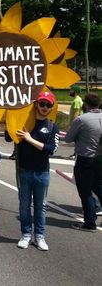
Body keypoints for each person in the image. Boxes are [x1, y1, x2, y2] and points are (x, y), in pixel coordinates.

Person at [8, 91, 60, 251]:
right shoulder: (24, 122)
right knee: (24, 206)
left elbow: (51, 149)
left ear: (51, 108)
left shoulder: (52, 126)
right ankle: (25, 235)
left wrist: (30, 139)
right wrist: (11, 116)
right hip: (24, 171)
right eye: (42, 103)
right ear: (36, 104)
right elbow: (9, 138)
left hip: (42, 173)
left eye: (48, 105)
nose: (44, 107)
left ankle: (40, 237)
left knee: (40, 206)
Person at [63, 93, 101, 231]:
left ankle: (90, 222)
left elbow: (68, 138)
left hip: (85, 159)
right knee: (98, 188)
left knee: (85, 192)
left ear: (85, 104)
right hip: (99, 159)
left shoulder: (82, 120)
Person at [68, 85, 84, 159]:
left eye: (71, 90)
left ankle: (76, 153)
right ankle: (76, 153)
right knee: (77, 139)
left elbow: (76, 113)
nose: (69, 91)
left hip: (77, 123)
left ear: (75, 92)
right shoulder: (77, 99)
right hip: (79, 123)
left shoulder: (77, 101)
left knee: (77, 139)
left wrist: (73, 125)